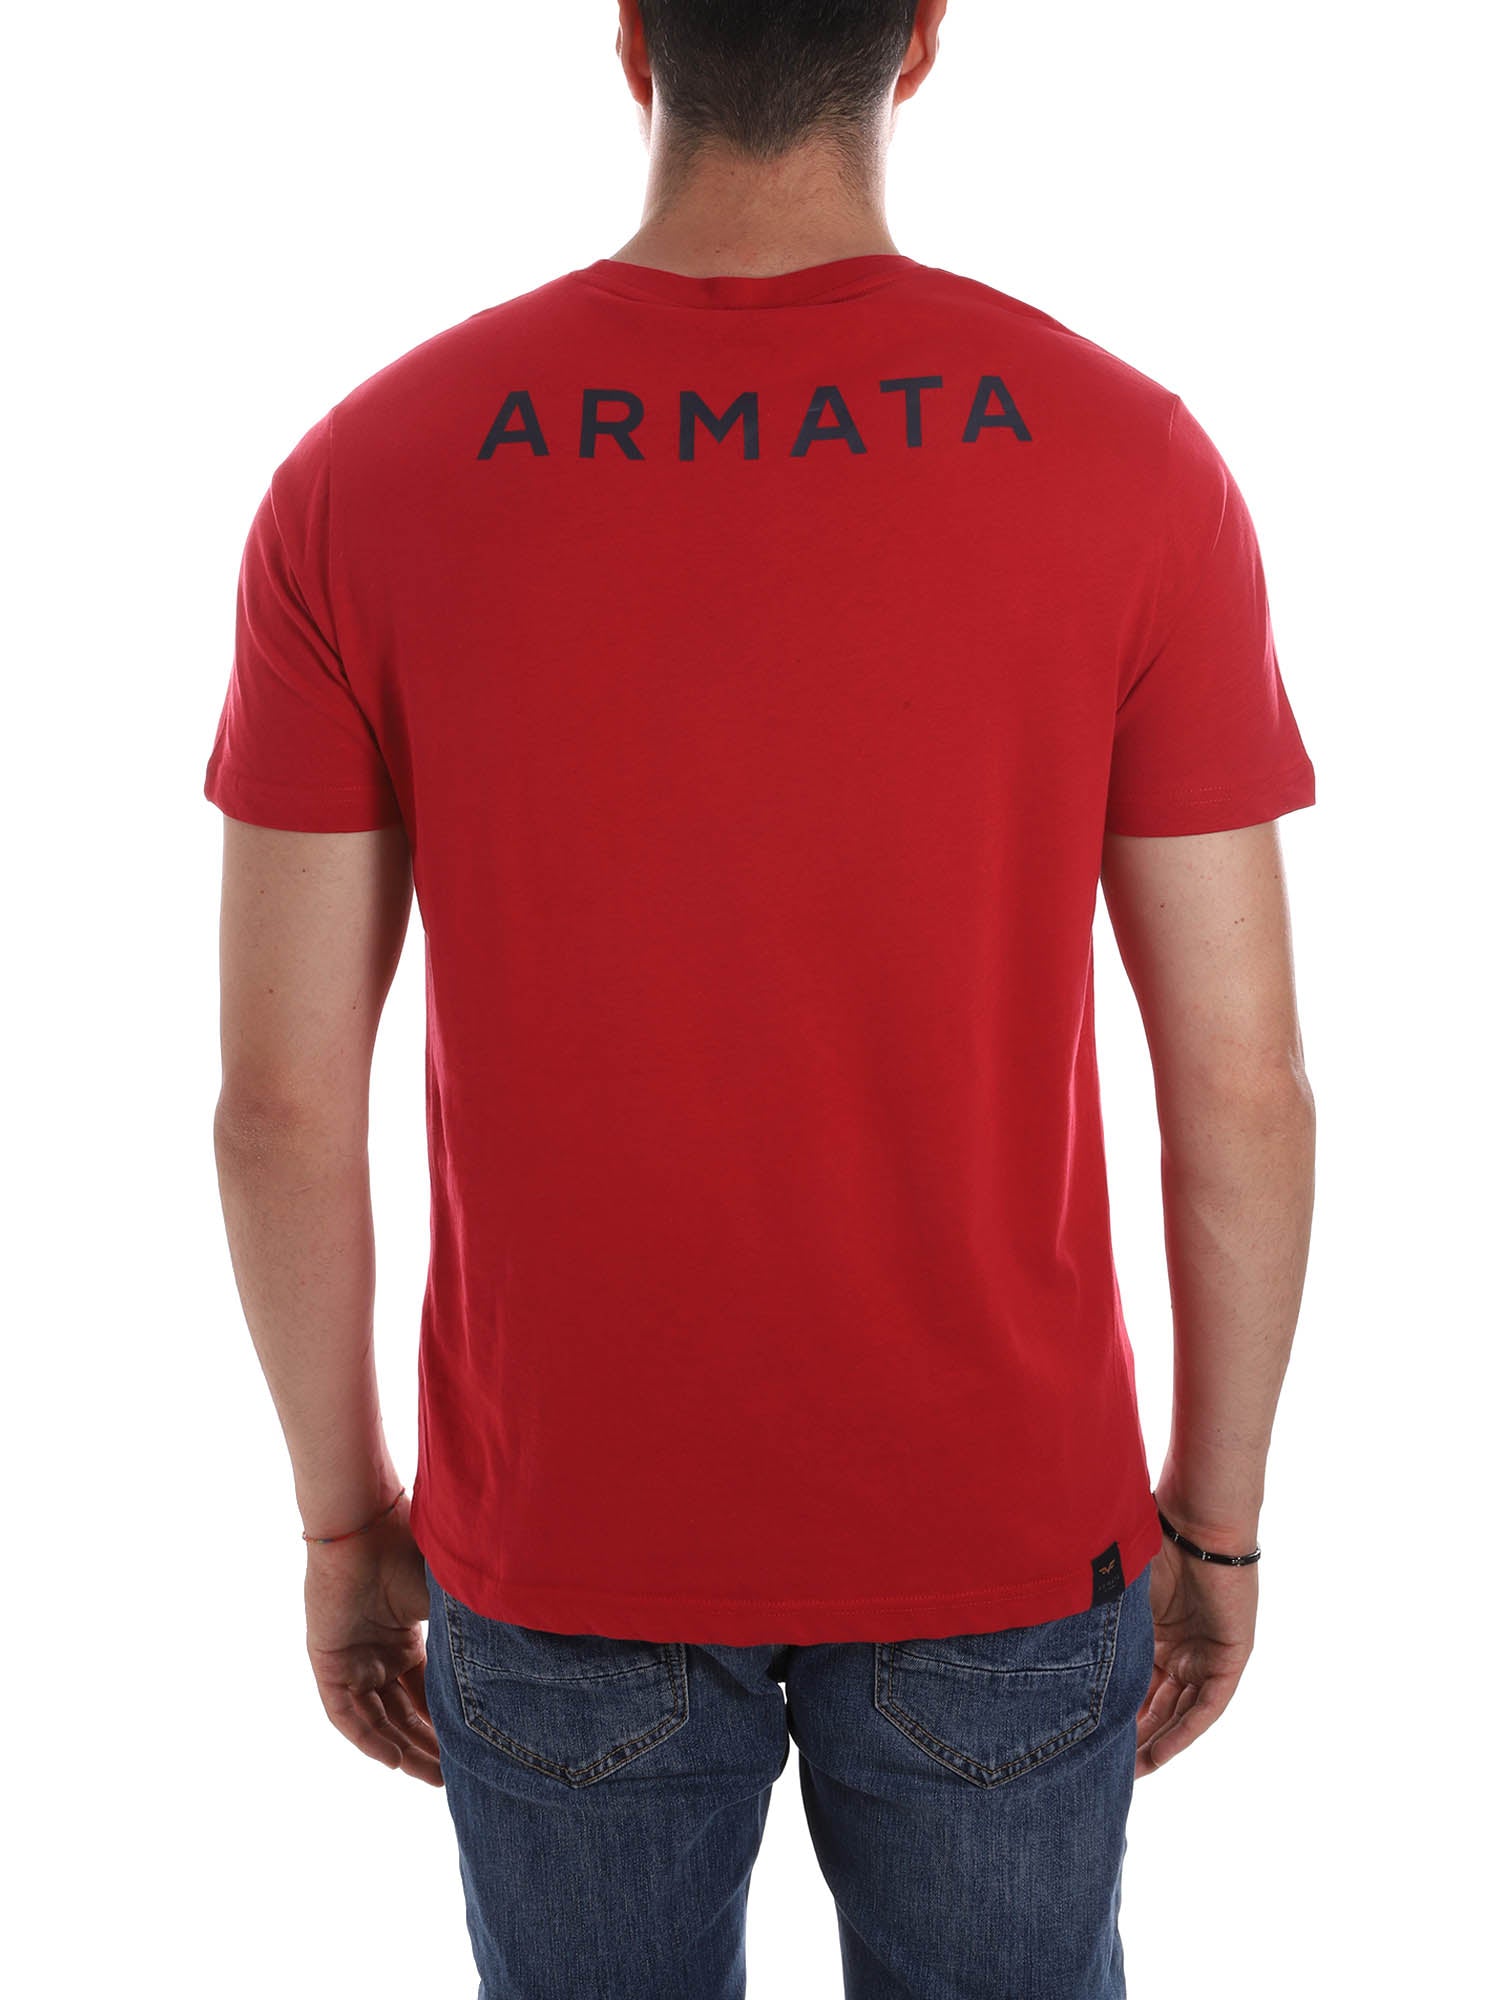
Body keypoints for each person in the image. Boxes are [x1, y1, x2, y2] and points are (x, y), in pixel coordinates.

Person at [204, 2, 1317, 1994]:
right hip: (995, 1518)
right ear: (922, 38)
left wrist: (345, 1521)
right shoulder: (1130, 458)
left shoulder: (367, 473)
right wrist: (1216, 1525)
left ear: (634, 40)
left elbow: (278, 1105)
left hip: (566, 1525)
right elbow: (1241, 1089)